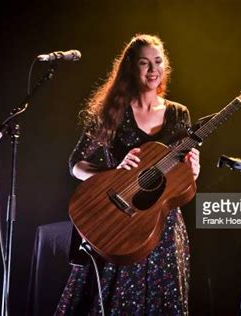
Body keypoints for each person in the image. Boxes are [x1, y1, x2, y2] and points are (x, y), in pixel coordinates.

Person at [55, 34, 200, 316]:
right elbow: (76, 163)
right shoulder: (112, 112)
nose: (153, 70)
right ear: (131, 68)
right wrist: (113, 173)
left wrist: (193, 171)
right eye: (144, 63)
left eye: (158, 62)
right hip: (116, 224)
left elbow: (183, 176)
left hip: (163, 228)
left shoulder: (179, 114)